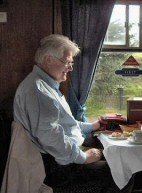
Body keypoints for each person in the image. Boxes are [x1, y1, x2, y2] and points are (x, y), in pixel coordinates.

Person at [13, 34, 133, 192]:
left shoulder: (47, 86)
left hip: (66, 154)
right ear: (49, 59)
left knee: (119, 156)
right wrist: (83, 158)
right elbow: (49, 134)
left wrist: (93, 126)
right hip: (56, 165)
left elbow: (63, 123)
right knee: (124, 171)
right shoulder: (37, 90)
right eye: (67, 62)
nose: (70, 68)